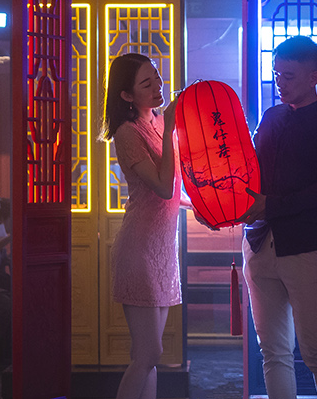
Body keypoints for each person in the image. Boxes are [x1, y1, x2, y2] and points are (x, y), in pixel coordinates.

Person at [241, 35, 317, 399]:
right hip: (258, 242)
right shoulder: (271, 117)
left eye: (289, 76)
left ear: (314, 76)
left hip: (303, 245)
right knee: (272, 350)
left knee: (316, 352)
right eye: (277, 75)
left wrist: (269, 206)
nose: (281, 83)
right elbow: (250, 173)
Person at [102, 52, 180, 399]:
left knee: (147, 357)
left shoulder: (159, 123)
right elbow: (163, 186)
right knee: (150, 353)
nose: (158, 86)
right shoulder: (128, 132)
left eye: (158, 78)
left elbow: (177, 184)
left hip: (163, 247)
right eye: (146, 83)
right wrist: (172, 130)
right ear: (127, 95)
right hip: (140, 248)